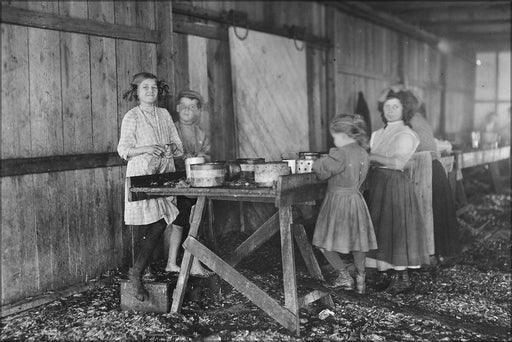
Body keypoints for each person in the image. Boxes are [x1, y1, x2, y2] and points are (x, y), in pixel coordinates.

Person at [117, 72, 183, 301]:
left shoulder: (164, 114)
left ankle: (142, 269)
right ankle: (137, 272)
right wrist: (146, 148)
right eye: (145, 88)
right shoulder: (132, 117)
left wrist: (170, 149)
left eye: (154, 87)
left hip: (164, 174)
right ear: (136, 92)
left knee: (159, 220)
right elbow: (124, 150)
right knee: (156, 221)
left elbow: (178, 145)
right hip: (142, 175)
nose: (150, 91)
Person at [380, 87, 461, 263]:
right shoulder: (418, 118)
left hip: (426, 172)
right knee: (436, 215)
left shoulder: (406, 123)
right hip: (436, 170)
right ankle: (436, 256)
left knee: (426, 214)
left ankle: (426, 256)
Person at [366, 90, 430, 294]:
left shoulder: (407, 133)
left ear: (405, 109)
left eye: (396, 107)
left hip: (395, 185)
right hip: (378, 183)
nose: (391, 111)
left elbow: (398, 163)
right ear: (382, 110)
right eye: (387, 107)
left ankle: (402, 278)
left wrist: (370, 156)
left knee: (397, 230)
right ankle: (384, 273)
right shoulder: (377, 134)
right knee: (381, 228)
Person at [312, 114, 377, 294]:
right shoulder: (363, 152)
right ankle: (361, 278)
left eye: (334, 136)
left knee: (324, 242)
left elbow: (321, 169)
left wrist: (318, 162)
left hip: (338, 202)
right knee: (358, 242)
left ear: (342, 135)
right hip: (357, 201)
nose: (334, 140)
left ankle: (343, 275)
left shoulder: (340, 153)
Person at [165, 89, 213, 277]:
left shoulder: (201, 133)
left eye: (192, 107)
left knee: (194, 219)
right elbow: (168, 154)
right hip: (176, 182)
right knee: (179, 220)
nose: (187, 110)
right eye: (184, 106)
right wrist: (182, 158)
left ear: (199, 111)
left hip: (196, 183)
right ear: (177, 108)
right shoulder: (172, 130)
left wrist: (200, 156)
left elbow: (207, 154)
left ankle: (192, 262)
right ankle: (172, 262)